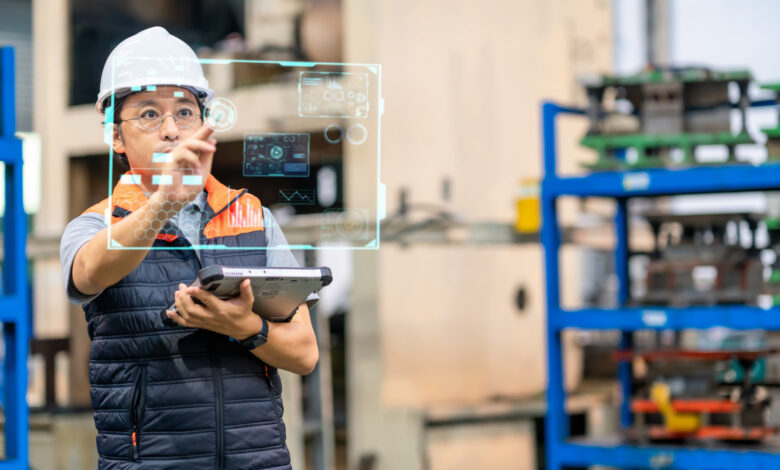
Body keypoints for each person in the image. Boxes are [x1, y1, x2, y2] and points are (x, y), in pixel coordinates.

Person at [59, 26, 318, 469]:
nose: (170, 131)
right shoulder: (96, 224)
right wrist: (164, 203)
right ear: (115, 136)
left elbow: (305, 353)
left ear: (204, 125)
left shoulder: (251, 216)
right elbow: (89, 271)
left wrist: (244, 325)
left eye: (184, 112)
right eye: (148, 114)